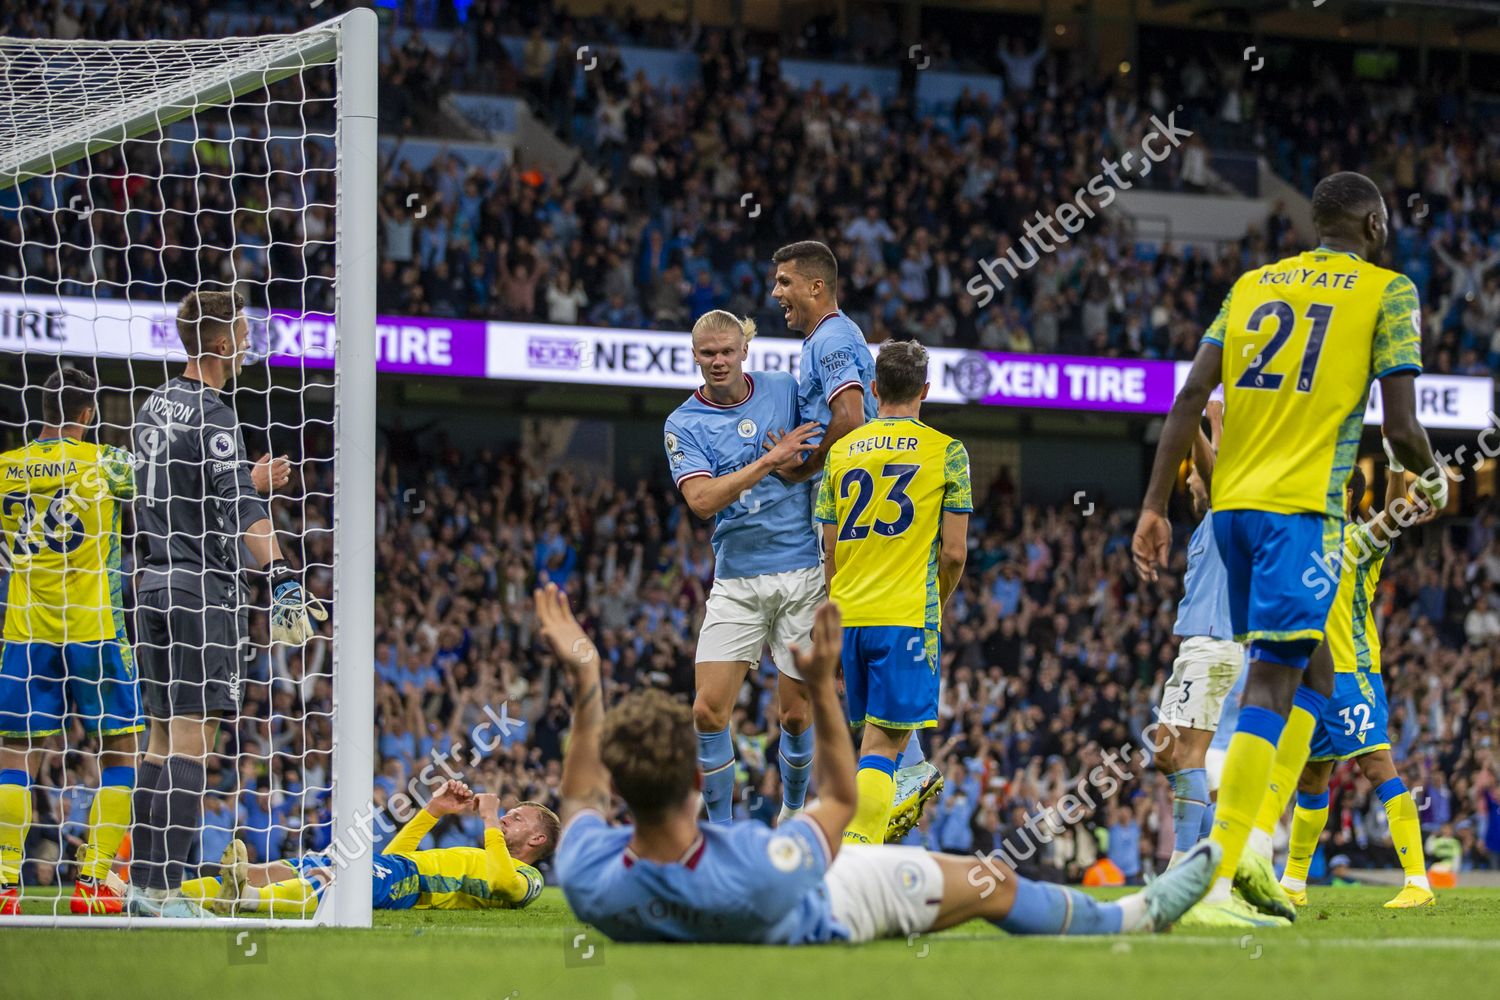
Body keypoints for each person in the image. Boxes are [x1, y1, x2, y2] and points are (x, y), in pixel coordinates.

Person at [538, 583, 1218, 944]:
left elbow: (577, 803)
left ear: (621, 787)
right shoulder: (759, 871)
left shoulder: (590, 877)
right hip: (835, 905)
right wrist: (825, 688)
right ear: (696, 777)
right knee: (992, 883)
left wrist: (587, 677)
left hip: (776, 885)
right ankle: (1139, 917)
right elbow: (837, 803)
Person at [1133, 171, 1447, 927]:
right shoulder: (1387, 291)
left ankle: (1250, 862)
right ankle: (1224, 872)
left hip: (1233, 512)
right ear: (1373, 223)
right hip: (1300, 514)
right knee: (1273, 684)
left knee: (1317, 670)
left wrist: (1152, 506)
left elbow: (1184, 399)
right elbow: (1401, 428)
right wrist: (1432, 478)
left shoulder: (1251, 285)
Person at [126, 289, 323, 917]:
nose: (246, 345)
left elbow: (188, 490)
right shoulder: (216, 415)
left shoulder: (151, 405)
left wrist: (247, 474)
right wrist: (284, 577)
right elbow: (243, 514)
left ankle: (140, 887)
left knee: (159, 741)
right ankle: (160, 893)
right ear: (216, 343)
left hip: (149, 582)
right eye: (240, 333)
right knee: (192, 742)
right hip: (198, 593)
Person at [770, 239, 941, 834]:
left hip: (848, 529)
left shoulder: (834, 339)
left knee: (826, 695)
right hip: (868, 541)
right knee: (863, 711)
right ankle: (908, 771)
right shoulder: (825, 341)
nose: (777, 294)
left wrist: (797, 465)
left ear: (818, 287)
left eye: (786, 282)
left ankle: (879, 797)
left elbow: (847, 422)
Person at [663, 310, 821, 826]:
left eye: (726, 351)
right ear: (694, 356)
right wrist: (768, 462)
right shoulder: (683, 423)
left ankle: (793, 814)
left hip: (802, 571)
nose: (717, 361)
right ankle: (721, 834)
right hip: (736, 577)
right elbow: (703, 500)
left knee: (795, 715)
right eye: (707, 353)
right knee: (707, 711)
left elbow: (823, 443)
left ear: (744, 350)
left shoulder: (782, 388)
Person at [813, 341, 971, 845]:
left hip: (849, 616)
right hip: (904, 617)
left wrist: (831, 625)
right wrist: (937, 606)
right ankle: (855, 857)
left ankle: (880, 825)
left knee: (877, 747)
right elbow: (953, 554)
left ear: (875, 389)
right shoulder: (948, 452)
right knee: (881, 751)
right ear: (926, 390)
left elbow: (829, 552)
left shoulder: (840, 451)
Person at [0, 368, 139, 915]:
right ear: (88, 413)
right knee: (120, 749)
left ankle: (4, 884)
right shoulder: (109, 462)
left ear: (39, 410)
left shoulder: (7, 468)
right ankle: (97, 884)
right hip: (94, 627)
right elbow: (176, 489)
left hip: (25, 630)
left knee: (15, 753)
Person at [1277, 462, 1435, 908]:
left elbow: (1397, 513)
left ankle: (1417, 882)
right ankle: (1292, 883)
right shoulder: (1306, 546)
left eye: (1333, 488)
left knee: (1377, 766)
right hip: (1310, 680)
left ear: (1348, 498)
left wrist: (1397, 466)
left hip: (1351, 675)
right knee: (1311, 778)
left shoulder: (1357, 540)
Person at [184, 780, 557, 915]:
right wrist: (433, 811)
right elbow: (396, 856)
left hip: (411, 883)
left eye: (518, 818)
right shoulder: (484, 854)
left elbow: (504, 884)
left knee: (335, 879)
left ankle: (246, 898)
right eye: (507, 813)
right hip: (397, 868)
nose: (507, 817)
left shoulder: (528, 876)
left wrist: (490, 818)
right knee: (292, 866)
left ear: (537, 840)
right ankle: (171, 895)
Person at [1154, 388, 1245, 868]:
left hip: (1212, 645)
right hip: (1202, 647)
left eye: (1195, 484)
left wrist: (1204, 421)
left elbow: (1220, 471)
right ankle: (1206, 856)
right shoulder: (1213, 522)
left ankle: (1187, 863)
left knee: (1181, 755)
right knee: (1169, 753)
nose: (1191, 488)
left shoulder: (1229, 514)